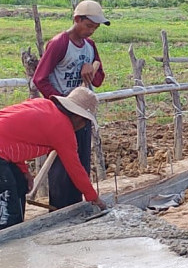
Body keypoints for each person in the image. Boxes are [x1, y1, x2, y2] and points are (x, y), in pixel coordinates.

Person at [32, 0, 108, 210]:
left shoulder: (90, 47)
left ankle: (75, 207)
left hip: (81, 115)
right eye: (88, 26)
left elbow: (99, 79)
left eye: (95, 27)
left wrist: (90, 69)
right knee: (61, 165)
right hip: (61, 113)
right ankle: (58, 209)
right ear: (77, 19)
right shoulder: (59, 44)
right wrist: (60, 102)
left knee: (80, 161)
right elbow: (40, 79)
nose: (92, 31)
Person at [0, 87, 108, 230]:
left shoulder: (43, 105)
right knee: (7, 211)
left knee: (20, 184)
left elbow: (11, 138)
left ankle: (15, 229)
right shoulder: (63, 129)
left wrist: (24, 171)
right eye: (85, 122)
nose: (83, 126)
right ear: (77, 117)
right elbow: (75, 169)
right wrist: (94, 198)